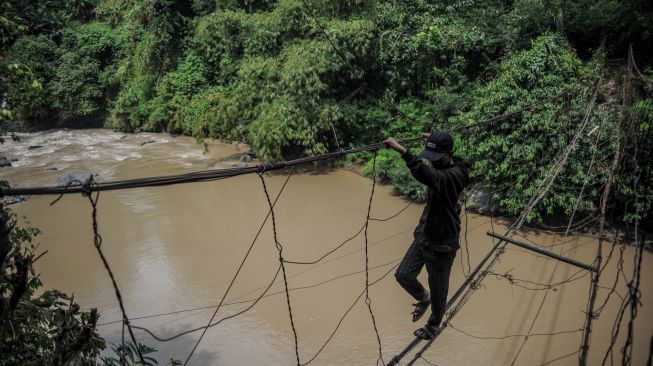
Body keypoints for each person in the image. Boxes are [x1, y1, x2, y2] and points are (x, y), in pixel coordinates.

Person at [383, 131, 472, 340]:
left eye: (435, 158)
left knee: (439, 289)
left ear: (449, 153)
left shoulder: (453, 175)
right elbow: (446, 162)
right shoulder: (451, 164)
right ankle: (424, 298)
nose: (431, 163)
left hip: (442, 243)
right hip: (424, 234)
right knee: (403, 275)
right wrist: (434, 143)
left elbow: (427, 174)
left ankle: (433, 326)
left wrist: (403, 152)